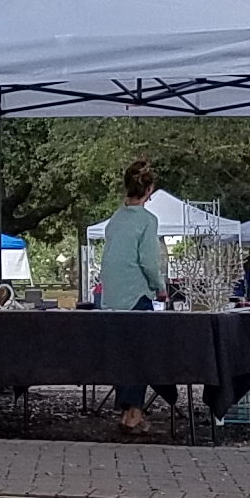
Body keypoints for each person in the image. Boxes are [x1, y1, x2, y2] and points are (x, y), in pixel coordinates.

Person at [99, 158, 170, 431]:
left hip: (112, 297)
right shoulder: (147, 221)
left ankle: (126, 412)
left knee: (123, 356)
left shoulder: (115, 220)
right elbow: (149, 262)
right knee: (141, 355)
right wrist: (160, 287)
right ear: (149, 190)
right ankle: (135, 413)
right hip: (136, 295)